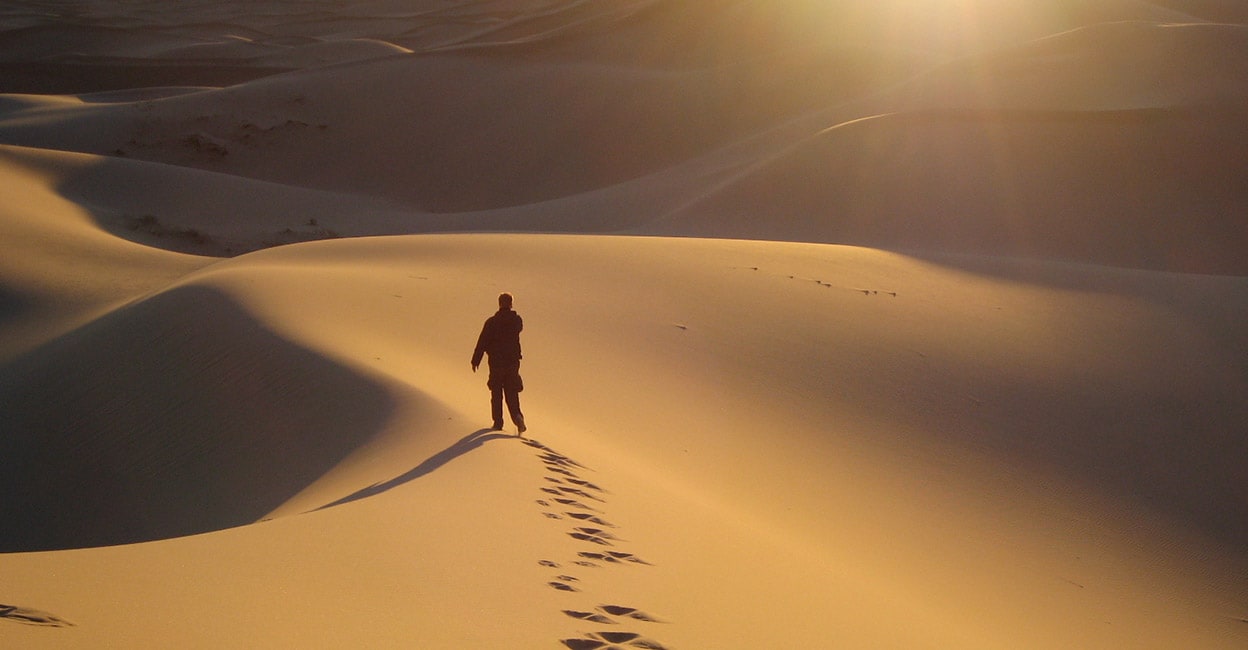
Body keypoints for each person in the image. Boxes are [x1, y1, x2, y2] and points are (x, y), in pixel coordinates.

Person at [471, 292, 526, 435]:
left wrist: (476, 360)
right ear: (511, 304)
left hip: (496, 363)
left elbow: (482, 342)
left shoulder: (492, 322)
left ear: (499, 304)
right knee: (512, 392)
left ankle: (498, 423)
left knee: (496, 393)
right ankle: (518, 417)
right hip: (512, 363)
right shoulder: (516, 321)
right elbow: (518, 328)